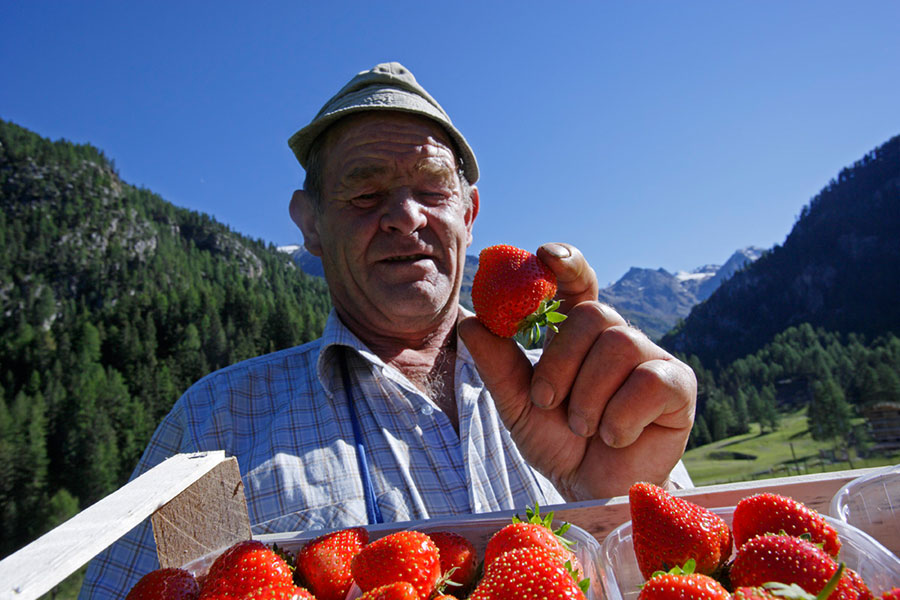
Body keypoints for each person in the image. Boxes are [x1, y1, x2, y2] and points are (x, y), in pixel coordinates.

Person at [80, 62, 696, 598]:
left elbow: (703, 579)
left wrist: (616, 500)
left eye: (432, 189)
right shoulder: (213, 425)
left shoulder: (583, 389)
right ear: (310, 225)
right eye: (364, 192)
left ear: (469, 213)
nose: (405, 216)